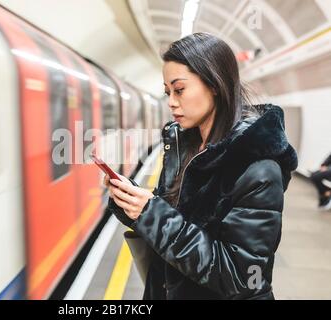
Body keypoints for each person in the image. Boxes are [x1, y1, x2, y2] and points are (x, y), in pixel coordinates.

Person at [104, 32, 298, 300]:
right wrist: (134, 204)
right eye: (167, 92)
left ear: (215, 84)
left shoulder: (259, 169)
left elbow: (242, 276)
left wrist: (151, 213)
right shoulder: (186, 149)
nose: (171, 101)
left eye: (179, 89)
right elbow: (173, 221)